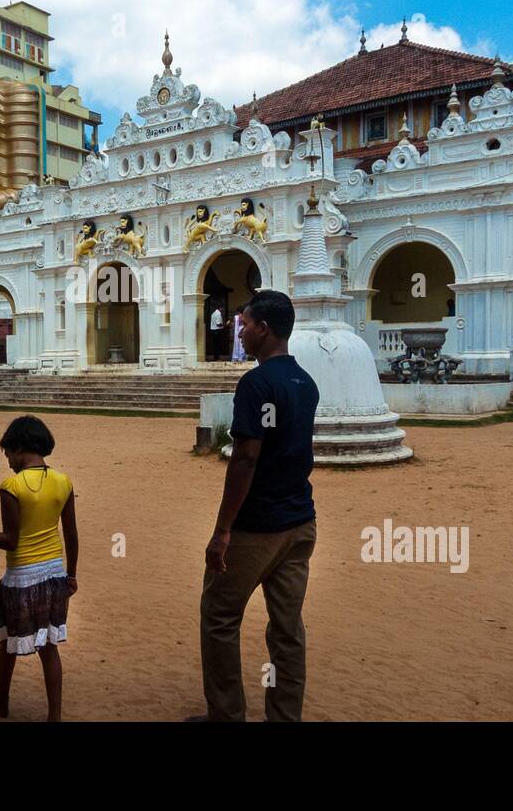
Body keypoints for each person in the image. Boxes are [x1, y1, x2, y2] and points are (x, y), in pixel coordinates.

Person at [196, 290, 319, 722]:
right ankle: (285, 716)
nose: (240, 332)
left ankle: (226, 714)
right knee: (287, 629)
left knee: (219, 618)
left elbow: (247, 456)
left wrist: (223, 530)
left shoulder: (256, 383)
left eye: (244, 324)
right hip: (300, 522)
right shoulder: (305, 382)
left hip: (258, 526)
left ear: (264, 329)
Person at [0, 415, 78, 721]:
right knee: (49, 646)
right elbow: (71, 534)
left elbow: (10, 540)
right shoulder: (64, 481)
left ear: (18, 447)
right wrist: (71, 574)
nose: (7, 460)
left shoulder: (12, 485)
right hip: (54, 572)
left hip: (21, 575)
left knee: (7, 639)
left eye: (7, 453)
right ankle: (54, 717)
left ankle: (2, 700)